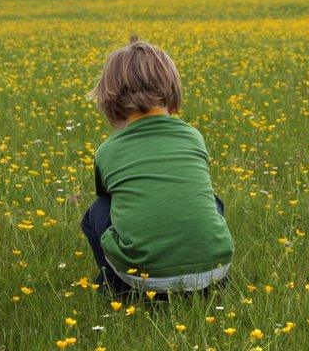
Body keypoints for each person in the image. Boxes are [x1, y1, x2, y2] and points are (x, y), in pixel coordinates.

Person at [81, 37, 234, 296]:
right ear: (172, 97)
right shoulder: (193, 136)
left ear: (111, 106)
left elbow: (107, 197)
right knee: (212, 200)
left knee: (97, 212)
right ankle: (210, 286)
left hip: (145, 278)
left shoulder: (108, 150)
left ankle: (115, 286)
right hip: (216, 267)